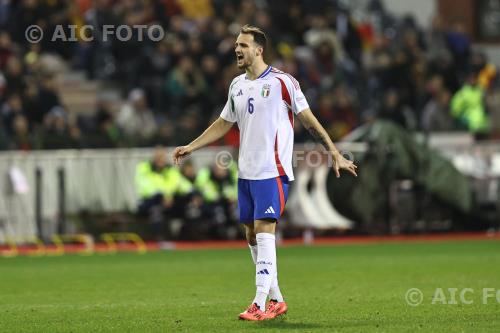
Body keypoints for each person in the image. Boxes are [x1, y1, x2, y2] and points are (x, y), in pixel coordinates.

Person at [172, 25, 357, 321]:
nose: (237, 49)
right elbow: (223, 123)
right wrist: (192, 146)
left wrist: (334, 152)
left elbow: (308, 120)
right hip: (246, 173)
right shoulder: (236, 85)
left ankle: (258, 302)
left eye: (243, 45)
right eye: (236, 44)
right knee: (250, 233)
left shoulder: (284, 82)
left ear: (258, 50)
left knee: (264, 230)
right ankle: (276, 299)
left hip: (273, 170)